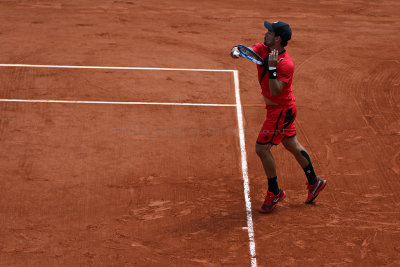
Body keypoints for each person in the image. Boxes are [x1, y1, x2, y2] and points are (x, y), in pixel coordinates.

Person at [230, 21, 327, 213]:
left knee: (261, 149)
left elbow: (275, 92)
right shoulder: (263, 48)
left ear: (278, 38)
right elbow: (244, 49)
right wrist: (236, 51)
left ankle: (274, 192)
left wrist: (272, 68)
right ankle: (314, 182)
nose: (265, 34)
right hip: (277, 110)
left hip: (281, 111)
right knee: (291, 144)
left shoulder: (286, 64)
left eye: (269, 32)